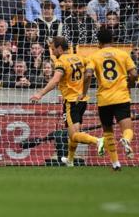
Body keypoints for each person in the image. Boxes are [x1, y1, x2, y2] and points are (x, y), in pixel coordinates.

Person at [30, 36, 104, 166]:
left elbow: (55, 80)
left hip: (71, 102)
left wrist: (40, 93)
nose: (52, 52)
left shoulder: (61, 61)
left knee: (74, 134)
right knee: (73, 133)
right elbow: (91, 63)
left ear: (59, 48)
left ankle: (97, 141)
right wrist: (87, 78)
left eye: (53, 49)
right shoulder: (79, 57)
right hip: (82, 100)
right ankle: (70, 159)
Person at [80, 28, 138, 171]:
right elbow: (134, 74)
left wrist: (83, 93)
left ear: (98, 42)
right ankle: (126, 140)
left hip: (104, 99)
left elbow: (88, 75)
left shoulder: (94, 56)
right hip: (121, 97)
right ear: (113, 40)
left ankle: (115, 163)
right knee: (128, 129)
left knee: (108, 131)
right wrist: (129, 84)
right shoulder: (123, 54)